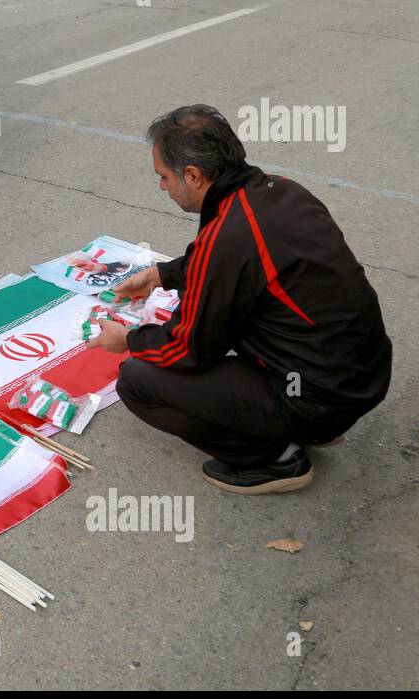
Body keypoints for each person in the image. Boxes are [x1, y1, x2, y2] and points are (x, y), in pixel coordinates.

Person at [87, 105, 392, 495]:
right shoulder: (280, 189)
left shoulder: (228, 236)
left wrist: (128, 340)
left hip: (320, 397)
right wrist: (162, 274)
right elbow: (241, 264)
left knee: (137, 381)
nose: (162, 187)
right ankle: (312, 424)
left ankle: (274, 458)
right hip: (362, 375)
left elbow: (189, 350)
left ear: (193, 176)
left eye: (163, 177)